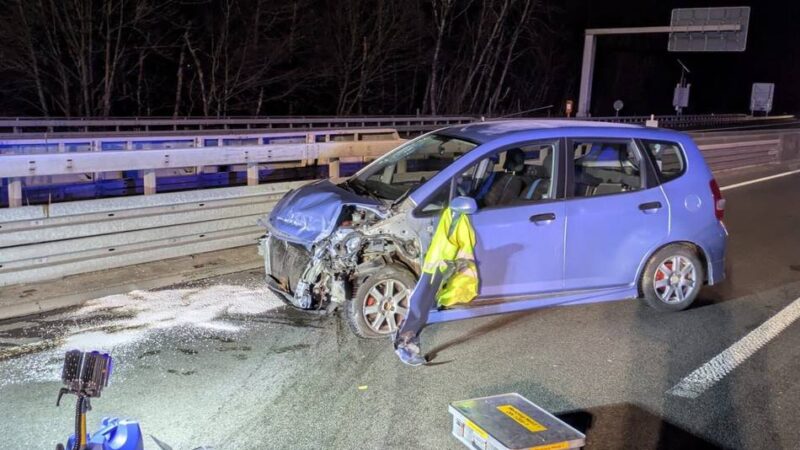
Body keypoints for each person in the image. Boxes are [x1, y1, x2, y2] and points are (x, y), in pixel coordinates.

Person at [393, 203, 479, 366]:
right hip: (441, 264)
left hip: (441, 264)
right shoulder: (451, 216)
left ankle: (406, 342)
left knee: (424, 296)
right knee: (423, 298)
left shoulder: (452, 217)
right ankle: (405, 341)